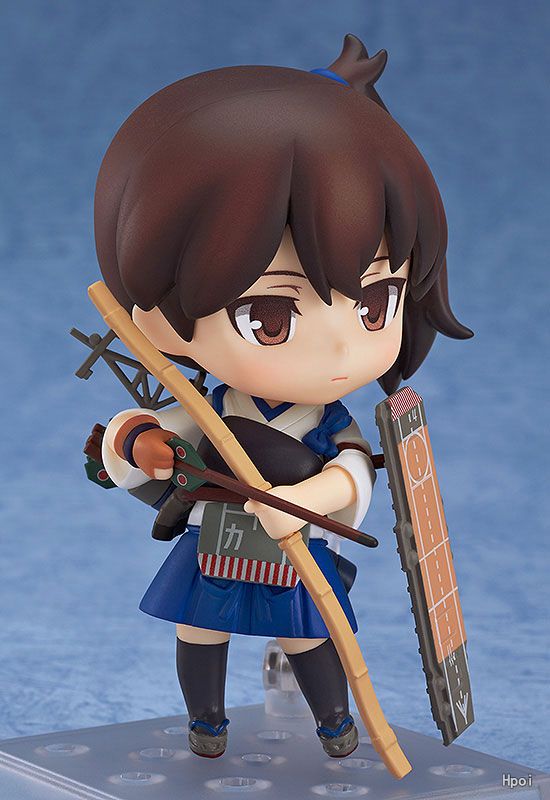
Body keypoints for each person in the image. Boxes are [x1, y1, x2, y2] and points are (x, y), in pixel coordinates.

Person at [94, 34, 472, 759]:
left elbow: (354, 471)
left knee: (308, 632)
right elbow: (134, 435)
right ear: (157, 315)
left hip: (291, 542)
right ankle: (207, 720)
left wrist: (311, 496)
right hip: (215, 540)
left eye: (375, 305)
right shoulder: (209, 411)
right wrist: (142, 444)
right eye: (269, 316)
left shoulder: (325, 421)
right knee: (199, 629)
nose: (338, 351)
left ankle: (333, 721)